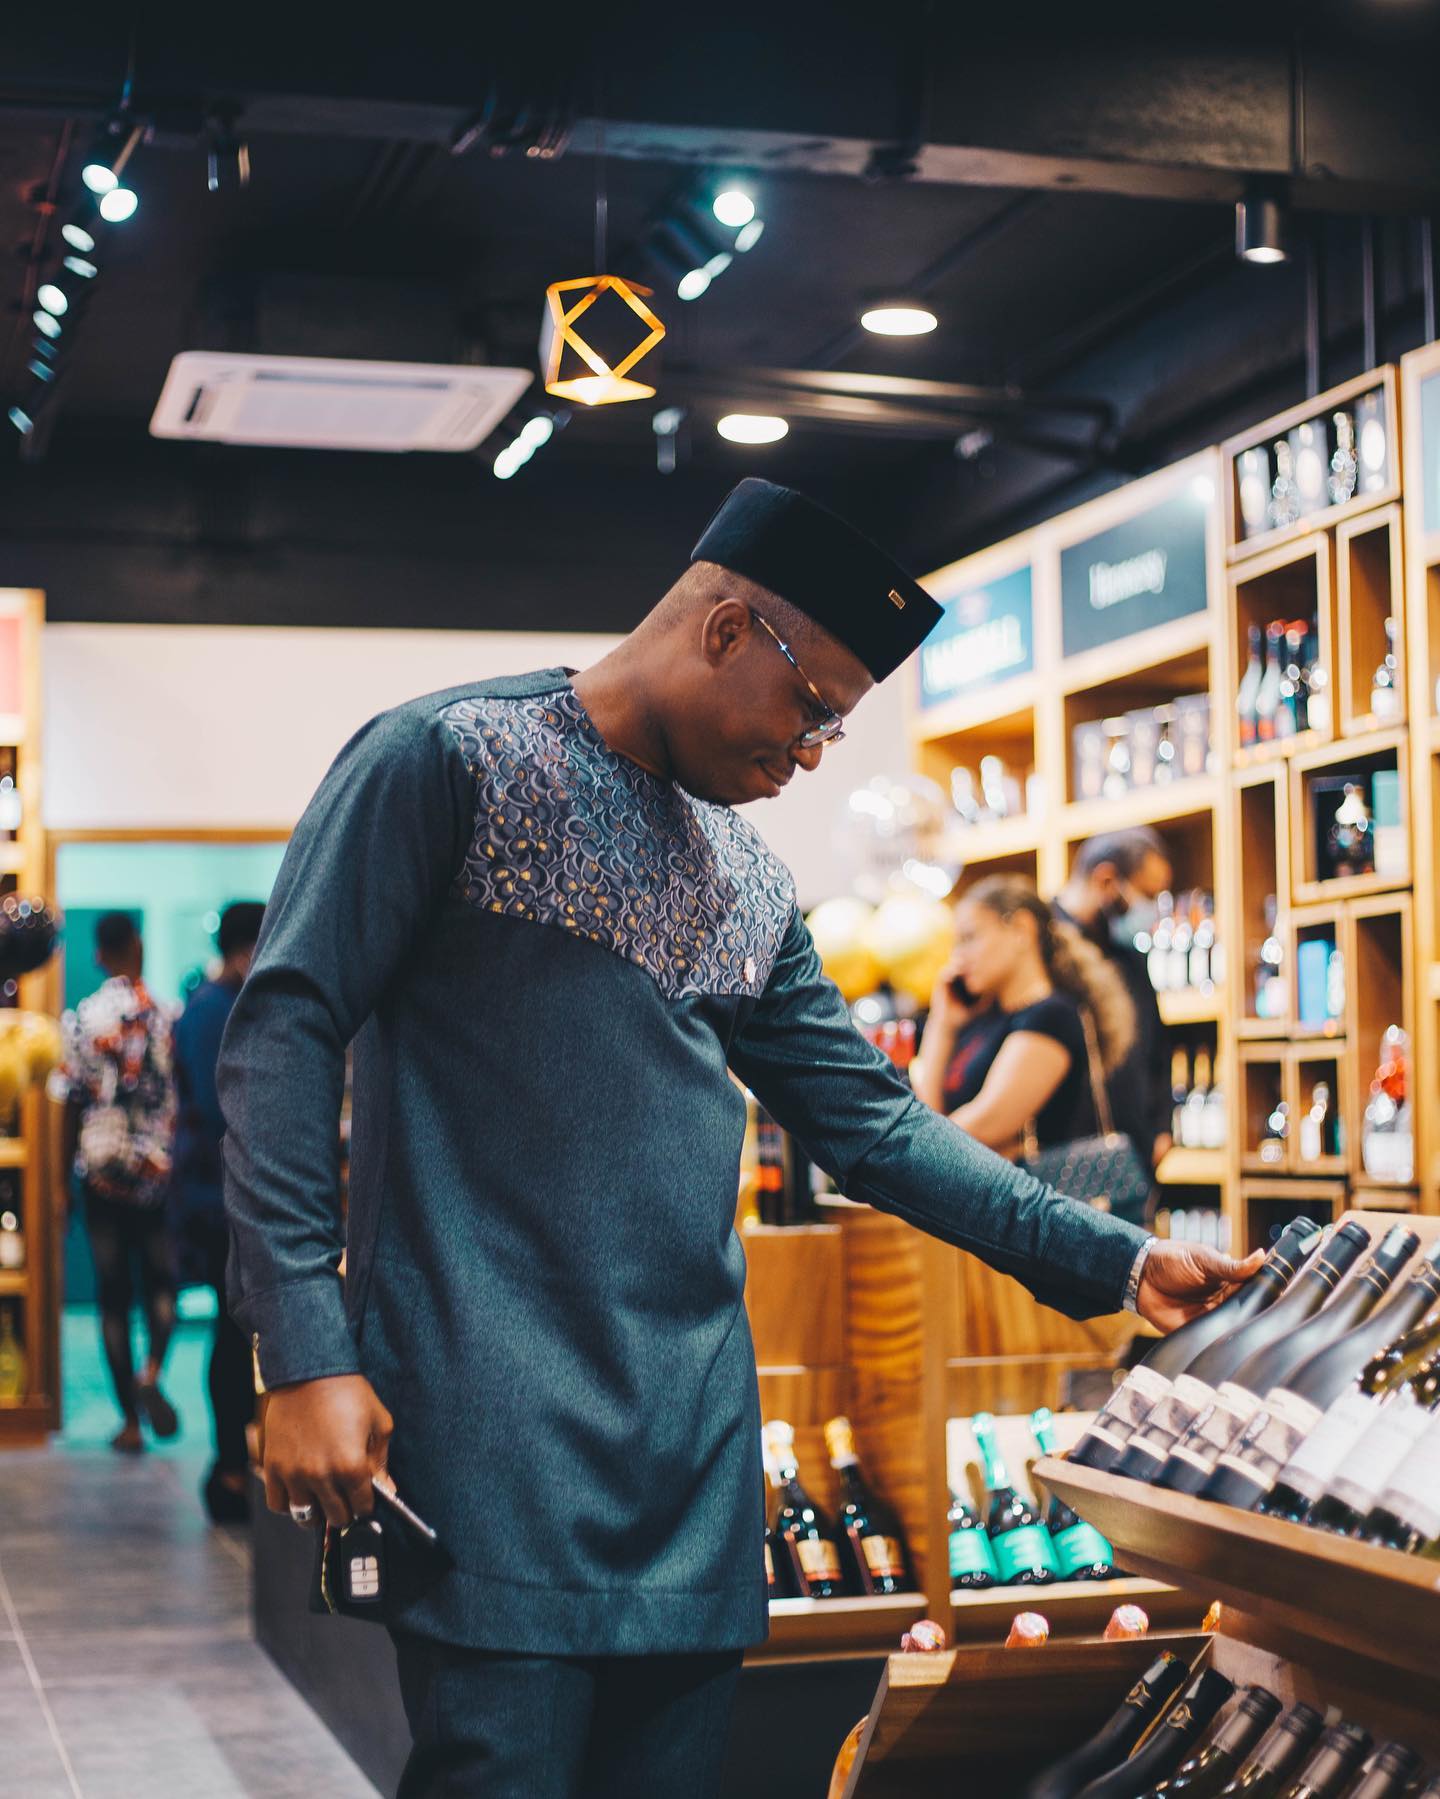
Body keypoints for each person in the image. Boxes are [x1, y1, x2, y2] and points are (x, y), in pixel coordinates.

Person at [219, 477, 1259, 1798]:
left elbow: (875, 1124)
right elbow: (284, 1029)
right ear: (725, 629)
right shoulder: (450, 758)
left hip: (693, 1457)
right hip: (489, 1433)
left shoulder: (752, 880)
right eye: (812, 709)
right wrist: (305, 1346)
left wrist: (1115, 1255)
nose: (813, 753)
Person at [51, 912, 178, 1454]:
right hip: (158, 1174)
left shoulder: (82, 1019)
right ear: (138, 945)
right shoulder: (167, 1016)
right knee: (162, 1284)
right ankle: (153, 1371)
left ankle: (129, 1421)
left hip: (101, 1175)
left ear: (100, 954)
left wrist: (60, 1182)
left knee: (112, 1299)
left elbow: (67, 1101)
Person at [909, 874, 1136, 1169]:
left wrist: (914, 1146)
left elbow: (973, 1131)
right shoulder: (980, 1020)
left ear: (1021, 929)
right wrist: (942, 1024)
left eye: (969, 938)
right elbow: (931, 1121)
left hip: (1037, 1195)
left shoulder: (1051, 1017)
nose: (957, 957)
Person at [171, 901, 267, 1522]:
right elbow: (220, 1104)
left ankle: (231, 1464)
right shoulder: (213, 1009)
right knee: (232, 1335)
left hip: (216, 1191)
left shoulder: (216, 1003)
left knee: (233, 1334)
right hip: (214, 1196)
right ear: (246, 947)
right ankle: (229, 1466)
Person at [1054, 828, 1176, 1172]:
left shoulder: (1129, 959)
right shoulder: (1044, 945)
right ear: (1107, 879)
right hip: (1066, 1159)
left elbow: (1157, 1048)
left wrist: (1162, 1127)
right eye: (1146, 896)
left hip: (1133, 1162)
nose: (1150, 911)